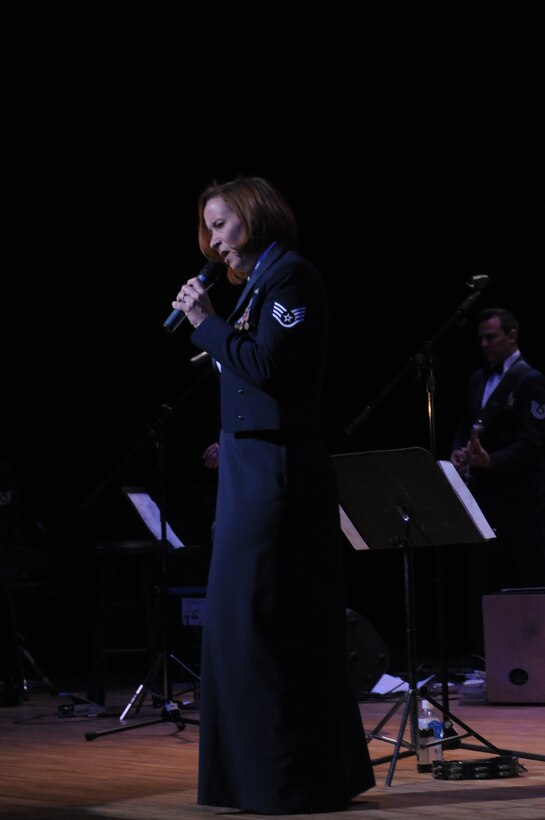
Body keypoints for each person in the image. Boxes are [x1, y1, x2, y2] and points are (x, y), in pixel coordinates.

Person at [172, 176, 375, 814]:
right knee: (244, 624)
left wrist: (205, 322)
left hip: (277, 469)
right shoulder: (260, 283)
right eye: (208, 229)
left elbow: (267, 366)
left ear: (254, 216)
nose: (214, 243)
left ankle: (285, 779)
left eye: (221, 225)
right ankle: (262, 777)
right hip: (249, 461)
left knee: (261, 621)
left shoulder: (292, 277)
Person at [450, 307, 545, 656]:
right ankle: (484, 658)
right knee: (483, 579)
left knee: (522, 581)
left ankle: (530, 661)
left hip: (519, 501)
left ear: (512, 335)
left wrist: (493, 460)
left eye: (491, 337)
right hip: (482, 498)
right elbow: (464, 425)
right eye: (481, 339)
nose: (484, 344)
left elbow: (533, 443)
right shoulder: (477, 379)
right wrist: (458, 452)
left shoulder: (529, 380)